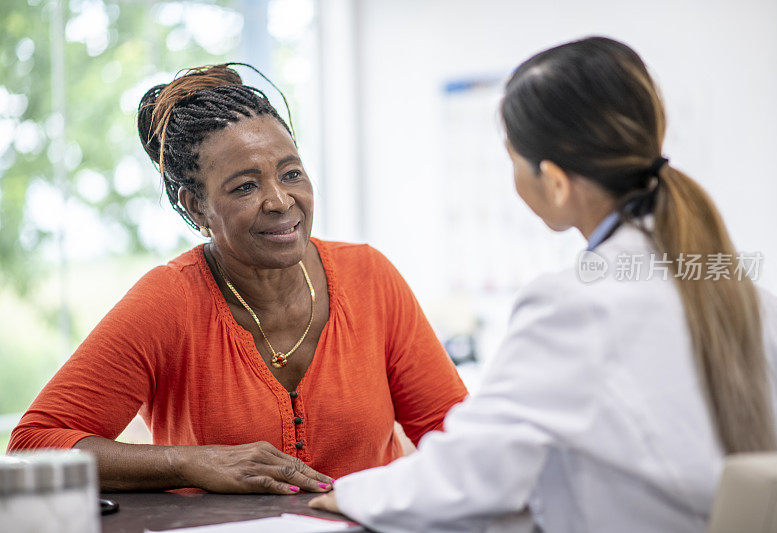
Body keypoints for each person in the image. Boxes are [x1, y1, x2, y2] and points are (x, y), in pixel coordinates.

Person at [308, 37, 777, 531]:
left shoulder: (576, 306)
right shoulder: (756, 301)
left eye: (514, 160)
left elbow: (469, 474)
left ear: (556, 181)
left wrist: (350, 491)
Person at [8, 64, 467, 494]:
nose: (280, 201)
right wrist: (187, 462)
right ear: (196, 207)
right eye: (245, 186)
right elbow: (33, 445)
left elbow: (456, 436)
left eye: (291, 173)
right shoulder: (169, 300)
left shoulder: (369, 276)